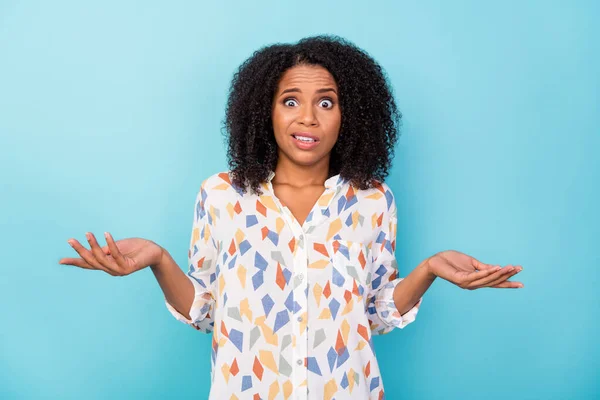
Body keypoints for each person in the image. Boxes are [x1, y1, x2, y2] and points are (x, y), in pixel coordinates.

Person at [58, 35, 524, 400]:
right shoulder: (221, 196)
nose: (308, 118)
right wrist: (159, 259)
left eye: (326, 102)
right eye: (290, 101)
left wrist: (430, 269)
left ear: (350, 114)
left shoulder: (372, 201)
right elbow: (206, 312)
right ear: (265, 111)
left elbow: (375, 316)